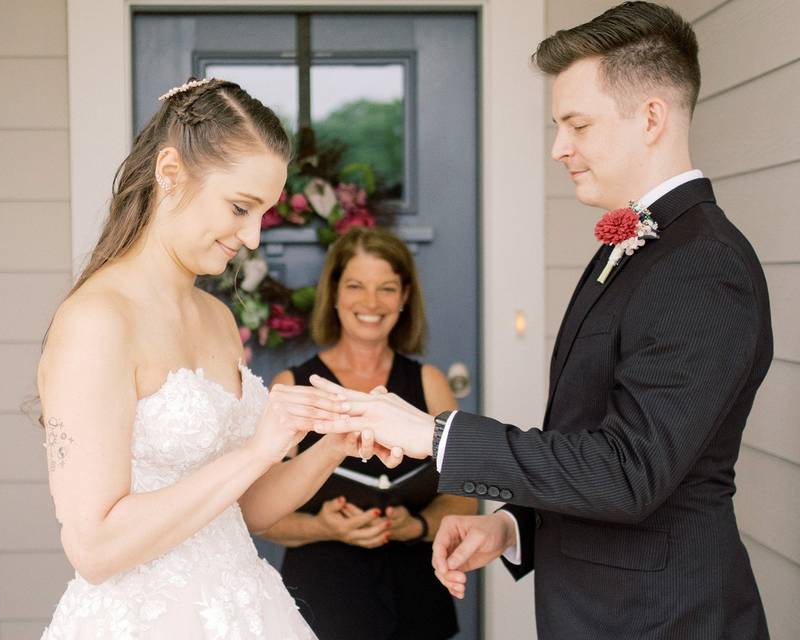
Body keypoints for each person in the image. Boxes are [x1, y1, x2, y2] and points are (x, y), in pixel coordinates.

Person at [311, 3, 773, 638]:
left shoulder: (702, 264)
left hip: (661, 620)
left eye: (577, 125)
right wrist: (511, 526)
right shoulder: (635, 246)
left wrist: (436, 437)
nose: (559, 148)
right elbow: (597, 443)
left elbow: (632, 472)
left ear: (651, 118)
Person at [38, 78, 387, 639]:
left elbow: (243, 512)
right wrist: (257, 451)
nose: (251, 238)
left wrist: (335, 444)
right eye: (240, 208)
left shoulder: (217, 319)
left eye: (263, 215)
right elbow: (94, 548)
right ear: (170, 172)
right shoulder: (97, 321)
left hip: (244, 608)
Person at [260, 227, 476, 639]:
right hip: (321, 596)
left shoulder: (429, 382)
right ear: (335, 294)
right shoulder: (293, 385)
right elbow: (259, 514)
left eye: (387, 288)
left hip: (416, 595)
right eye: (356, 286)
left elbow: (463, 498)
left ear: (405, 297)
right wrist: (324, 527)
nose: (371, 302)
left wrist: (418, 525)